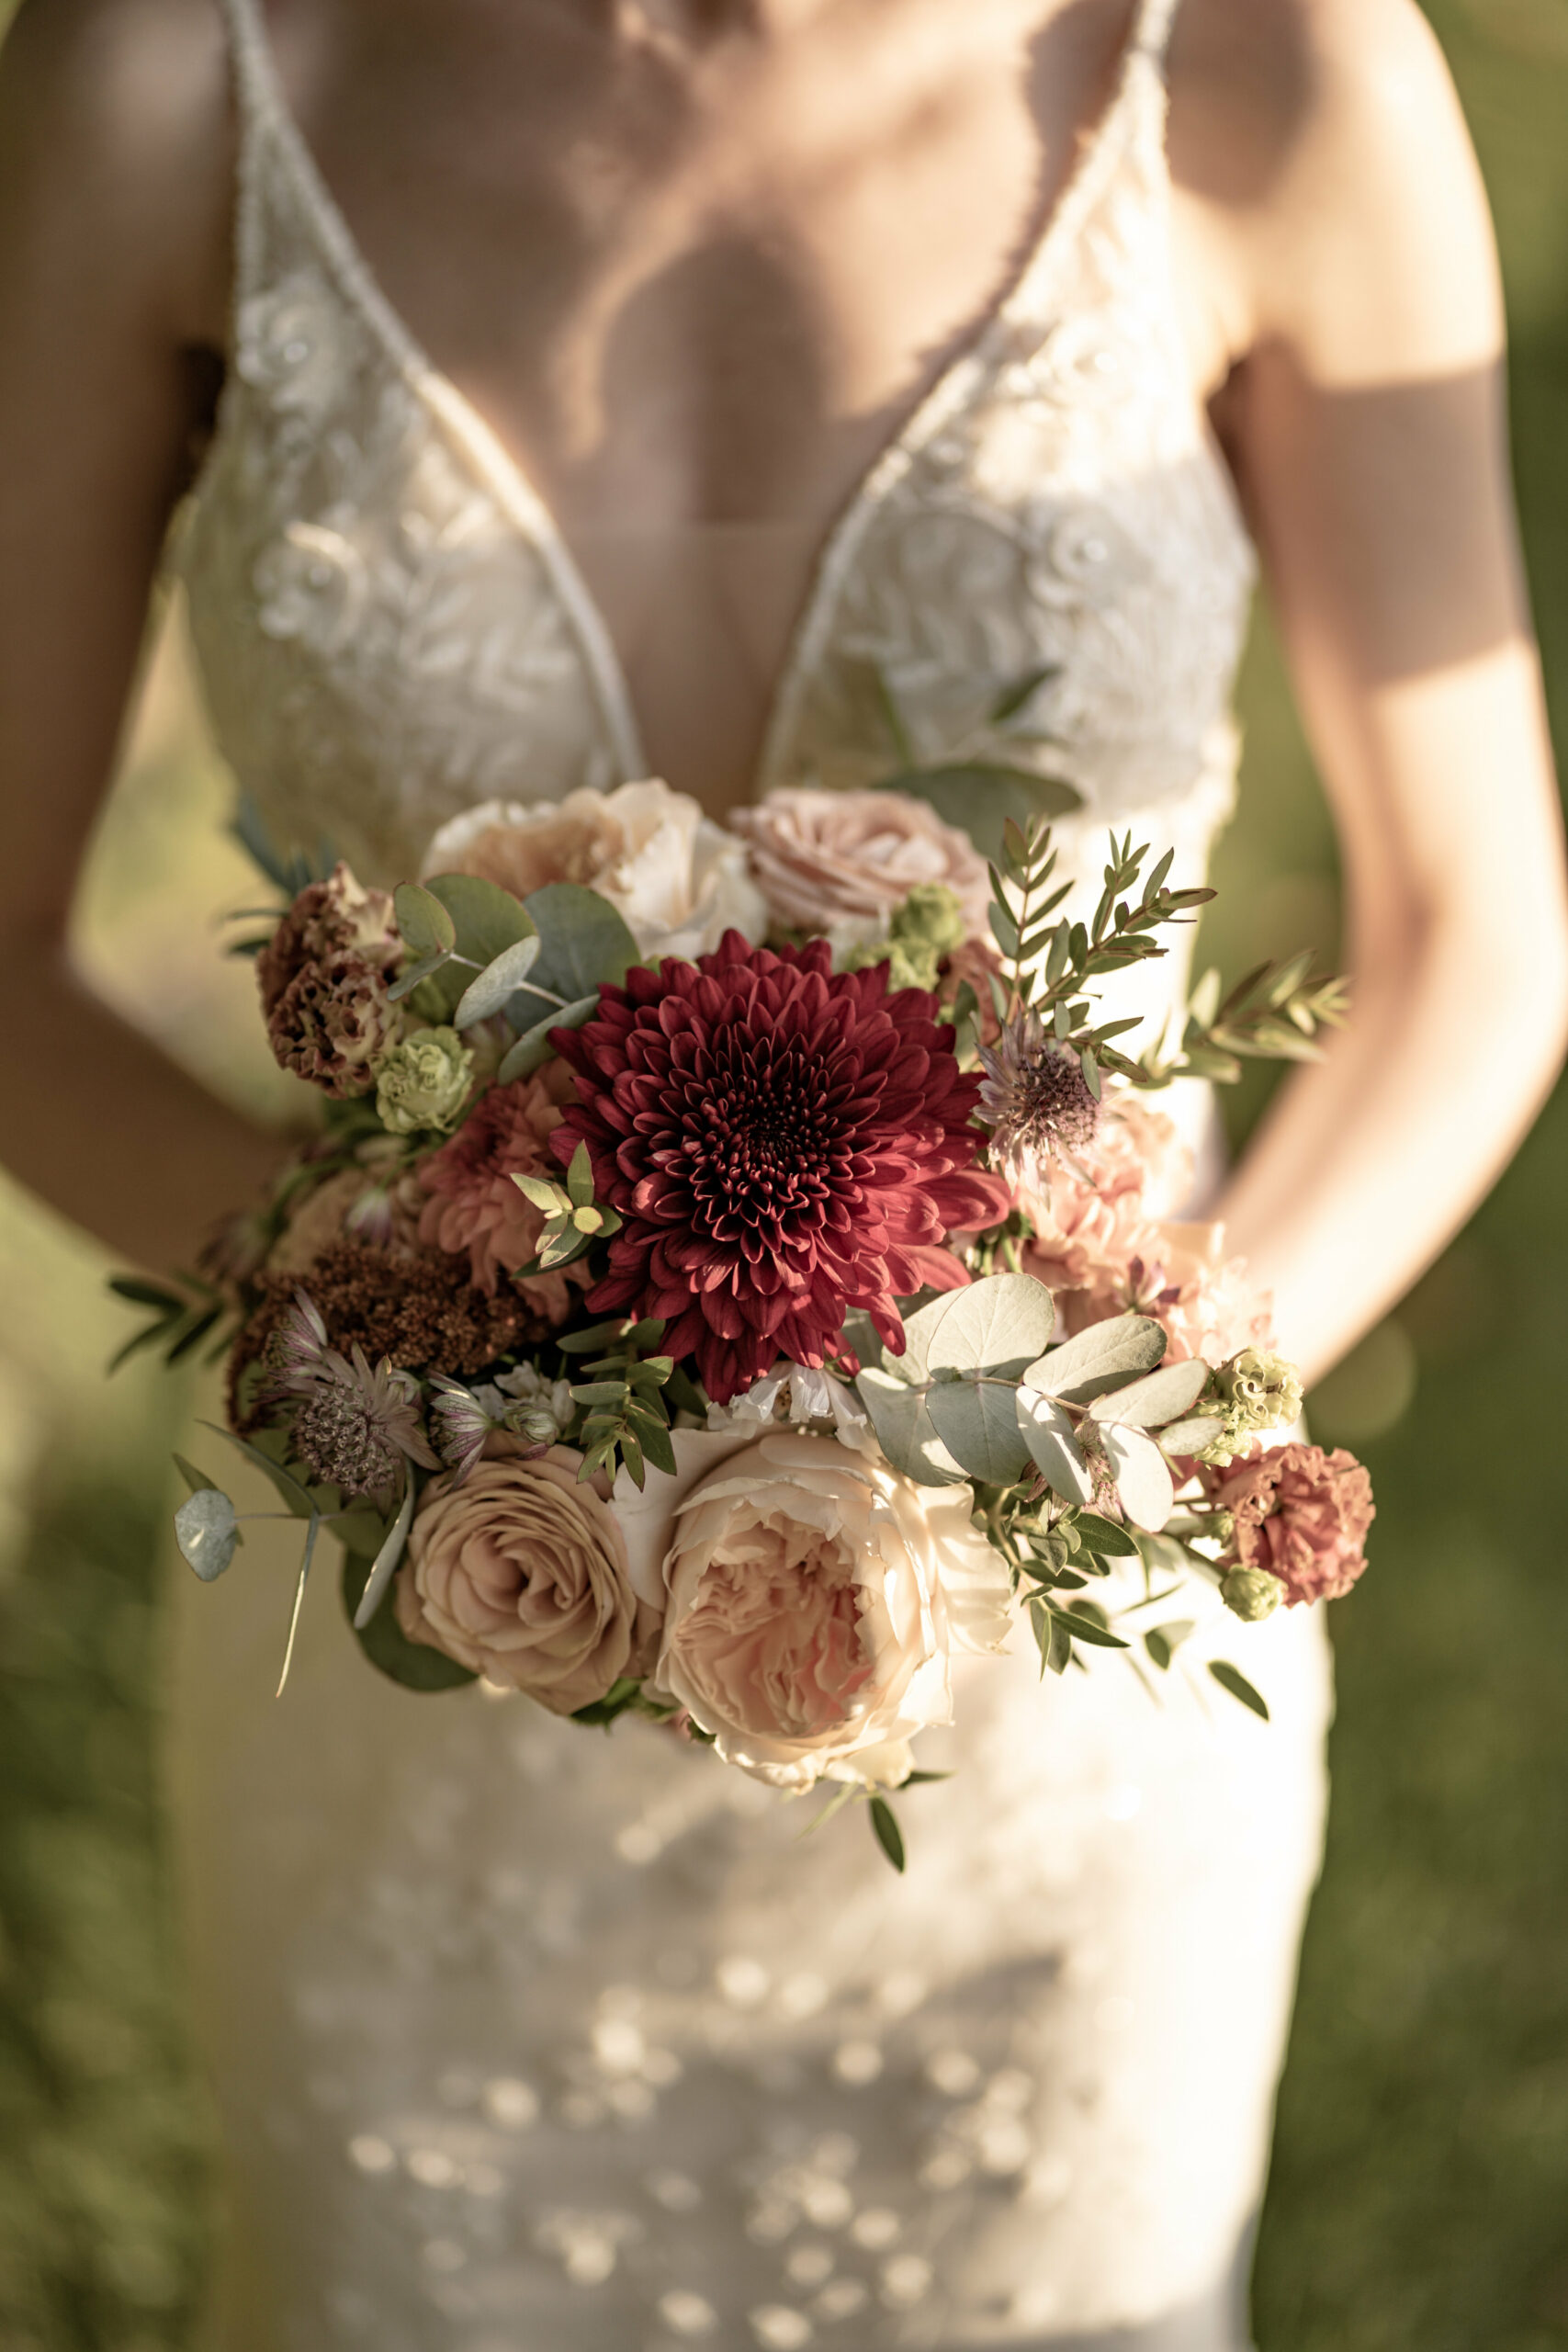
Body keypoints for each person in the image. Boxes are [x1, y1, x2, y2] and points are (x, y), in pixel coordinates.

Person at [0, 0, 1563, 2344]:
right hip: (433, 1662)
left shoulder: (1264, 72)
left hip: (1059, 1698)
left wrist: (1117, 1425)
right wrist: (381, 1356)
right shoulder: (178, 78)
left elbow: (1477, 940)